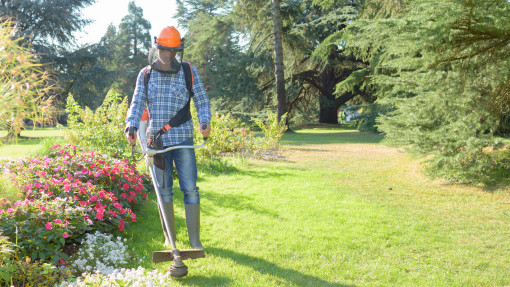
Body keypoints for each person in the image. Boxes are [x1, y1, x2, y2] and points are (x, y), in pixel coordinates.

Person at [125, 26, 211, 250]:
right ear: (157, 48)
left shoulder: (188, 71)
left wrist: (205, 122)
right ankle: (169, 239)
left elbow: (202, 100)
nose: (167, 55)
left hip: (183, 139)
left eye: (172, 51)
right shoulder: (146, 74)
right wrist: (131, 126)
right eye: (164, 50)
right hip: (157, 142)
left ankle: (195, 241)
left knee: (190, 188)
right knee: (163, 190)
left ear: (178, 51)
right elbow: (137, 103)